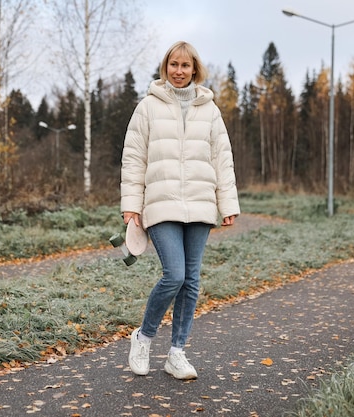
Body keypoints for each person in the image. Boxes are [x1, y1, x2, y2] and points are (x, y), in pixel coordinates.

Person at [120, 41, 240, 380]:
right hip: (160, 202)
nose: (179, 70)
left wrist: (227, 204)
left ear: (195, 70)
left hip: (201, 204)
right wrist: (131, 206)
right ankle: (143, 337)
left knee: (191, 280)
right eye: (173, 64)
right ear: (165, 67)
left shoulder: (210, 110)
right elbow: (133, 158)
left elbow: (222, 159)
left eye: (186, 65)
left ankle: (177, 353)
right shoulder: (147, 107)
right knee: (174, 275)